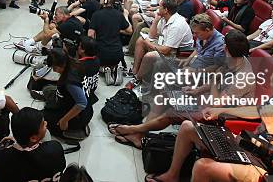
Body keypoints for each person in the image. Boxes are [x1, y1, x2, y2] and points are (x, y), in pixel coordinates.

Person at [145, 67, 273, 182]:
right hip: (246, 147)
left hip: (264, 169)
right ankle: (172, 175)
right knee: (187, 127)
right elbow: (254, 111)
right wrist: (220, 111)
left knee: (203, 166)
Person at [109, 29, 254, 149]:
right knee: (165, 95)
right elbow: (214, 81)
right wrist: (197, 91)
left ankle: (134, 130)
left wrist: (211, 85)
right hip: (209, 101)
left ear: (226, 48)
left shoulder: (242, 78)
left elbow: (215, 106)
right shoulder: (236, 58)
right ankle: (139, 134)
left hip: (220, 115)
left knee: (171, 113)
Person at [0, 107, 65, 182]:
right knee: (46, 134)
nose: (46, 123)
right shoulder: (55, 147)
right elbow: (62, 167)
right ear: (33, 138)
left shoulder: (0, 158)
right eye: (43, 124)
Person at [128, 0, 194, 92]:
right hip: (166, 44)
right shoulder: (164, 17)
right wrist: (155, 20)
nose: (158, 9)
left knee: (149, 55)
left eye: (160, 7)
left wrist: (149, 43)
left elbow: (166, 50)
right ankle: (135, 71)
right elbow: (152, 35)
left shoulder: (177, 25)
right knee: (140, 40)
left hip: (179, 53)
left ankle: (138, 78)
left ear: (166, 10)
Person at [43, 42, 99, 139]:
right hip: (83, 107)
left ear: (59, 66)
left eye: (54, 67)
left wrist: (65, 120)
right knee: (48, 90)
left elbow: (82, 103)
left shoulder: (70, 81)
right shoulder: (75, 63)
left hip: (80, 114)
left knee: (45, 120)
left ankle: (73, 130)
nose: (53, 70)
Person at [88, 0, 132, 70]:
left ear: (106, 0)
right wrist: (125, 16)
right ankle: (113, 68)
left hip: (101, 54)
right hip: (117, 54)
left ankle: (104, 68)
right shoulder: (119, 14)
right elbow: (129, 31)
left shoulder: (96, 15)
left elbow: (90, 35)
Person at [15, 6, 84, 54]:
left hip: (71, 50)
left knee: (49, 33)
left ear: (63, 14)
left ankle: (39, 49)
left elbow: (47, 34)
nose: (55, 16)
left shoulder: (67, 24)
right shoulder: (72, 19)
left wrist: (46, 20)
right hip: (72, 42)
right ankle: (30, 41)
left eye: (56, 15)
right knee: (51, 26)